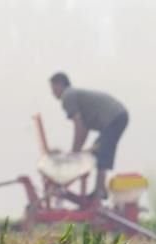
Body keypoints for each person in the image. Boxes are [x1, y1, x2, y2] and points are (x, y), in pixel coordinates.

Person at [49, 72, 129, 200]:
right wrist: (77, 151)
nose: (52, 93)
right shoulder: (73, 95)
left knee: (101, 150)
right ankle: (100, 189)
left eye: (53, 88)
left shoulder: (67, 96)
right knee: (98, 149)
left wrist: (74, 153)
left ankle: (100, 190)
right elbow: (84, 129)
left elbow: (79, 126)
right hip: (117, 115)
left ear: (60, 85)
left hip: (114, 117)